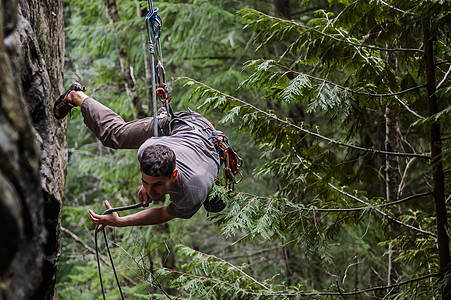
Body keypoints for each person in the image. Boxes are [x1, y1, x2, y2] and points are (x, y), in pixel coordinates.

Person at [54, 83, 224, 231]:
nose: (149, 191)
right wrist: (148, 185)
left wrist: (120, 222)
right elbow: (160, 201)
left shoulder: (191, 194)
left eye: (157, 184)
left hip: (199, 134)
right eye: (145, 182)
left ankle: (74, 95)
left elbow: (164, 213)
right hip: (188, 131)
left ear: (174, 174)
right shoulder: (146, 149)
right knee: (115, 135)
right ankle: (76, 95)